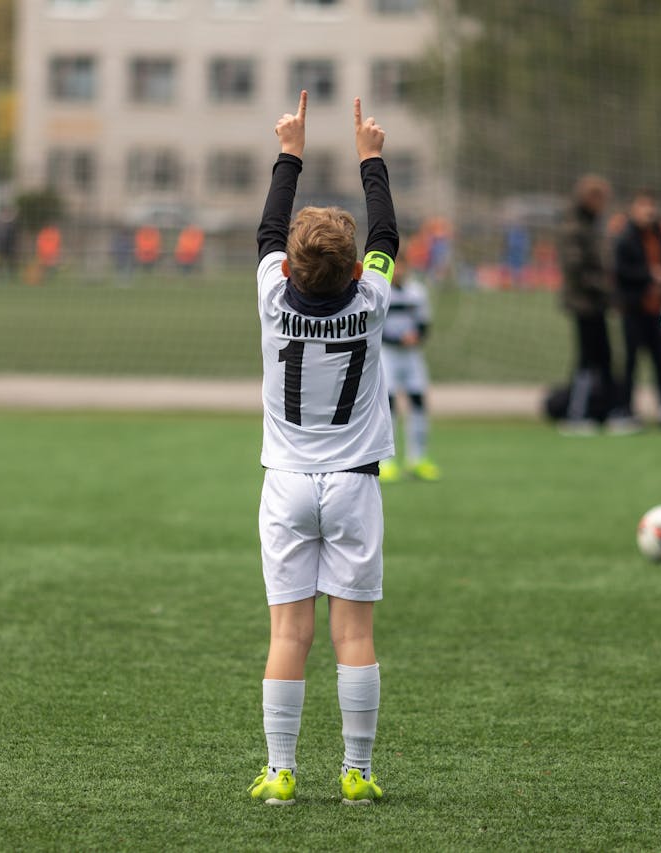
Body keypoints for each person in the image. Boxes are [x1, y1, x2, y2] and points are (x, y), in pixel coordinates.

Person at [248, 91, 394, 808]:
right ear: (358, 271)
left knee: (289, 630)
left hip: (287, 483)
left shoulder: (272, 298)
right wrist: (371, 155)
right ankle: (357, 771)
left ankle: (280, 770)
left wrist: (290, 148)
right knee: (354, 633)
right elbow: (388, 237)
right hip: (355, 483)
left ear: (290, 268)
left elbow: (269, 227)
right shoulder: (373, 301)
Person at [558, 175, 624, 434]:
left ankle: (609, 411)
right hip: (583, 303)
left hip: (597, 303)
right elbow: (576, 268)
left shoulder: (592, 223)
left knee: (604, 356)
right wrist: (606, 288)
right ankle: (577, 414)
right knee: (587, 358)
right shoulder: (574, 226)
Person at [614, 191, 661, 427]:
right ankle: (626, 409)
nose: (648, 213)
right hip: (634, 309)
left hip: (658, 310)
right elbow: (621, 271)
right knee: (631, 361)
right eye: (643, 208)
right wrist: (648, 275)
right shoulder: (626, 237)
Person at [379, 258, 440, 483]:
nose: (399, 272)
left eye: (402, 266)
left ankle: (417, 459)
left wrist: (416, 336)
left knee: (418, 402)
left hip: (412, 357)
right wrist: (397, 339)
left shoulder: (417, 292)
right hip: (387, 355)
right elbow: (375, 327)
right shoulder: (382, 292)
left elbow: (424, 324)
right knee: (389, 405)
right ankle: (386, 462)